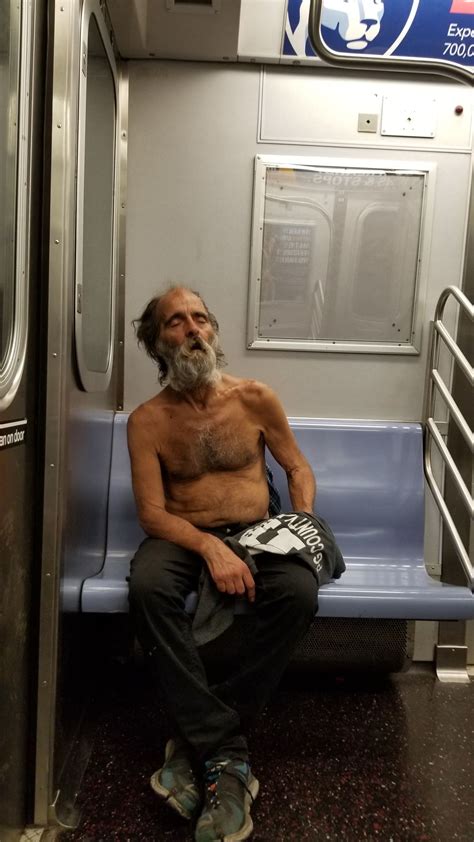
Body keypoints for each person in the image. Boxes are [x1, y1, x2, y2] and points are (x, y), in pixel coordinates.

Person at [127, 285, 320, 842]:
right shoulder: (147, 422)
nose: (191, 329)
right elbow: (151, 514)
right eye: (175, 322)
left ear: (213, 331)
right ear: (156, 342)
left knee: (299, 593)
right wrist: (210, 547)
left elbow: (297, 468)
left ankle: (199, 744)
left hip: (259, 533)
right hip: (184, 536)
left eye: (200, 319)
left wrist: (299, 522)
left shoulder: (256, 398)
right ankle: (229, 757)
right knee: (147, 588)